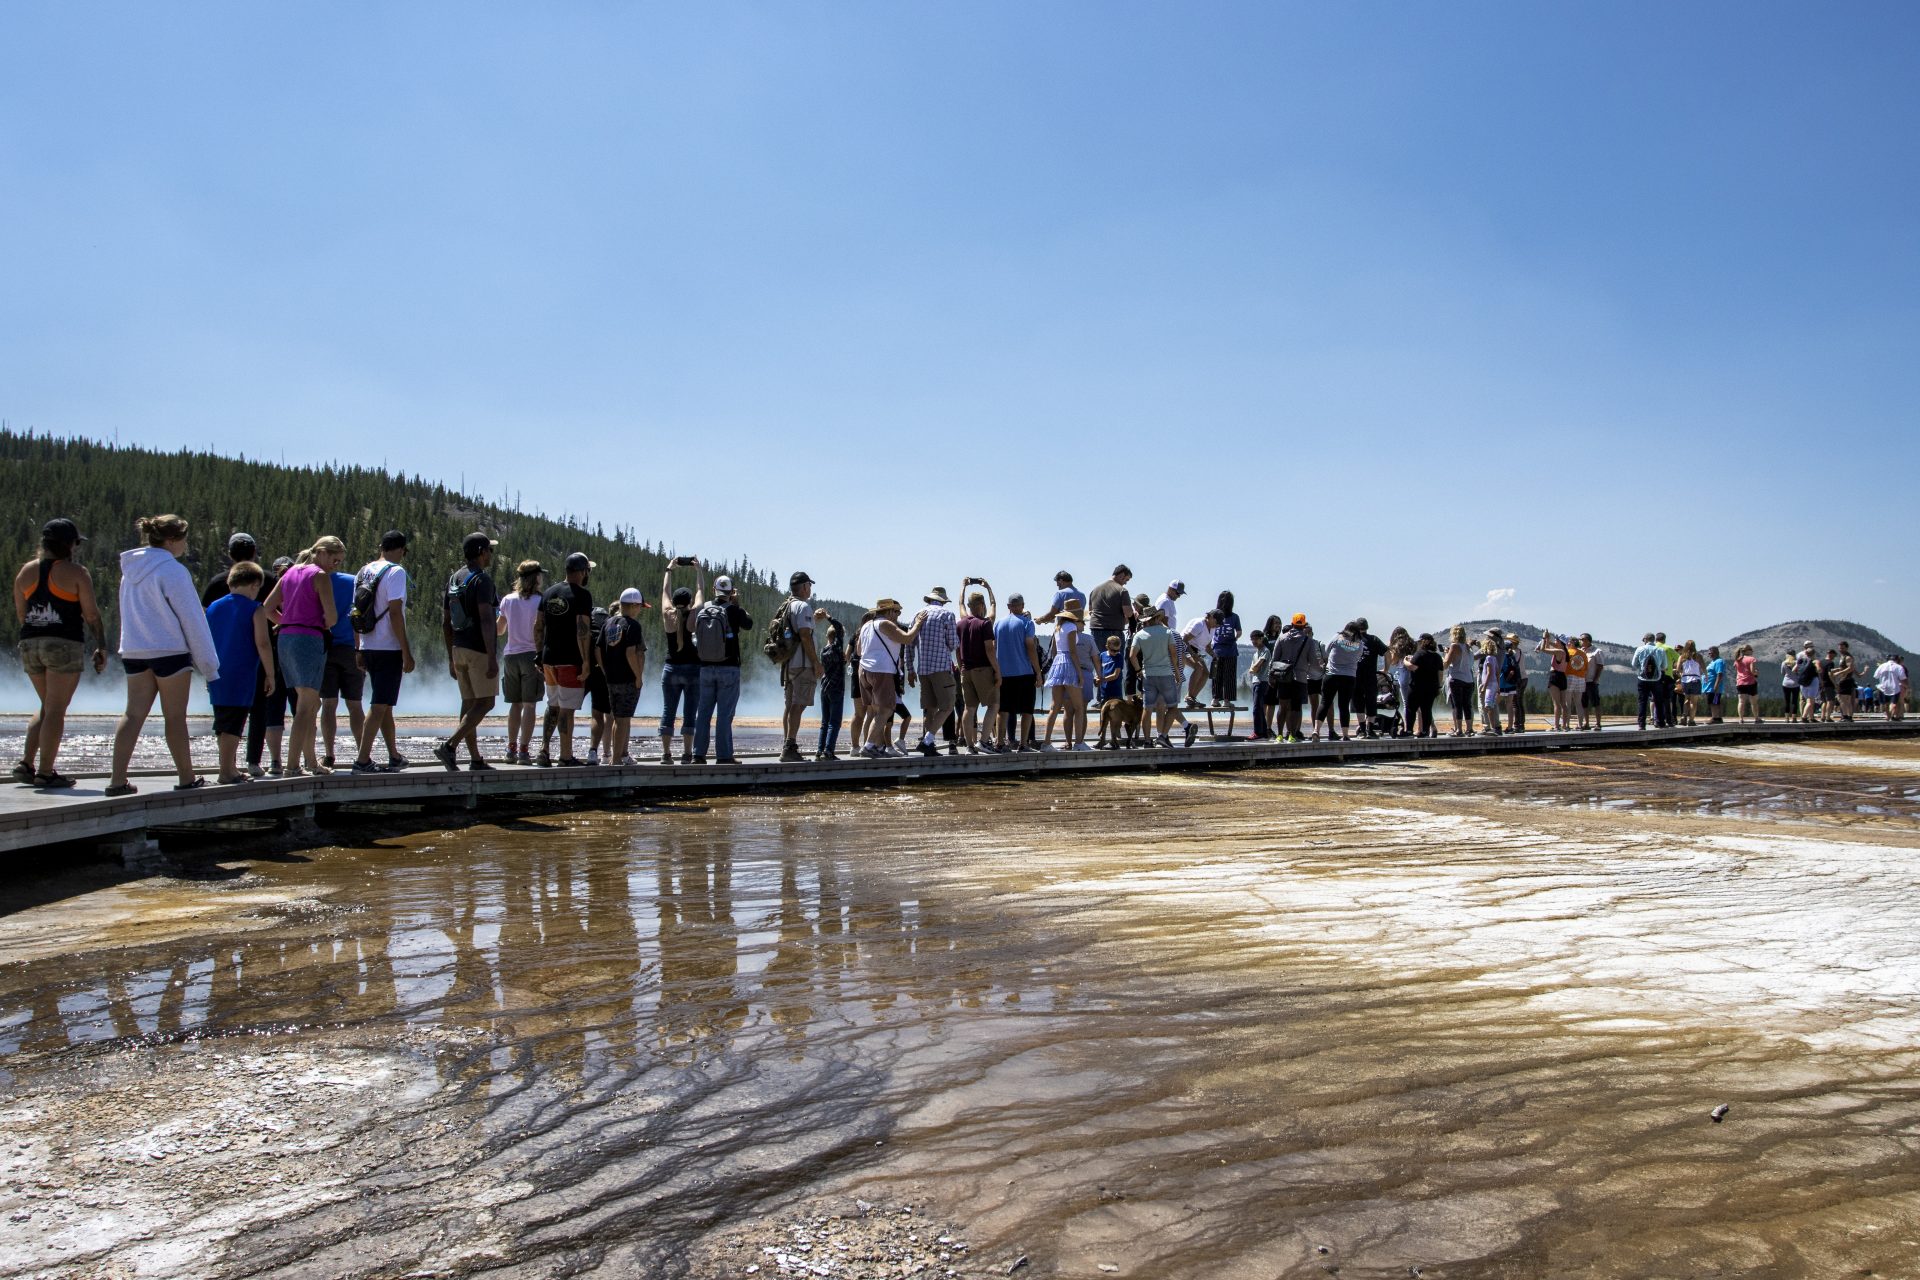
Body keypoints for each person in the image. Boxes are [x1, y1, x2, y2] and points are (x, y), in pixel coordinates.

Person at [107, 515, 221, 795]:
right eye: (183, 538)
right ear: (171, 540)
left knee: (132, 715)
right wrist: (209, 666)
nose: (185, 544)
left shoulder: (129, 570)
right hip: (169, 650)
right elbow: (193, 620)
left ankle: (117, 781)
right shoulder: (173, 571)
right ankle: (186, 778)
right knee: (174, 717)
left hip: (134, 650)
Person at [11, 518, 106, 788]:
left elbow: (21, 614)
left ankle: (26, 763)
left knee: (46, 706)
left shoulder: (25, 573)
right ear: (68, 545)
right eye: (75, 543)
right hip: (63, 644)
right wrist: (102, 645)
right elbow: (91, 614)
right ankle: (44, 772)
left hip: (30, 644)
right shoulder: (77, 573)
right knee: (55, 710)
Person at [262, 537, 343, 775]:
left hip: (286, 639)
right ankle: (292, 766)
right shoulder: (320, 576)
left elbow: (267, 608)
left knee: (307, 703)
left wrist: (286, 622)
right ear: (322, 553)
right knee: (306, 707)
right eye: (335, 560)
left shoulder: (290, 573)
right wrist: (316, 622)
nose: (335, 565)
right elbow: (333, 618)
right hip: (309, 639)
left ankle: (310, 762)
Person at [204, 560, 275, 785]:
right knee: (234, 722)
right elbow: (263, 643)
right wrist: (270, 674)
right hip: (242, 672)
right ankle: (227, 771)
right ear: (255, 585)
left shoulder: (214, 607)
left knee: (222, 721)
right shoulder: (255, 608)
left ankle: (229, 766)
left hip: (216, 671)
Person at [435, 532, 500, 770]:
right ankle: (449, 746)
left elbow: (445, 622)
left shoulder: (454, 578)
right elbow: (486, 619)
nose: (491, 554)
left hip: (458, 648)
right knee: (486, 703)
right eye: (489, 550)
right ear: (482, 552)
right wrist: (492, 656)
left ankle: (475, 759)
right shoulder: (482, 580)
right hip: (478, 650)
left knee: (469, 702)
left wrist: (450, 656)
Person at [351, 530, 414, 773]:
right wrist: (406, 651)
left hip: (368, 644)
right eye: (404, 552)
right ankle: (362, 759)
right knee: (379, 704)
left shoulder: (363, 571)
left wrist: (358, 647)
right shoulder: (396, 571)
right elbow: (395, 612)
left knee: (385, 702)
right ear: (399, 549)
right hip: (388, 646)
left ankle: (394, 755)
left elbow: (355, 612)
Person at [536, 553, 596, 766]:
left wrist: (538, 654)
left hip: (548, 657)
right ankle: (565, 755)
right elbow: (583, 630)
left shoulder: (549, 593)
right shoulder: (582, 595)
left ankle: (543, 751)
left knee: (552, 705)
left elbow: (538, 626)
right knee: (567, 709)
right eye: (587, 570)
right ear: (582, 571)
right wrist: (586, 661)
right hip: (571, 660)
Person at [691, 573, 752, 765]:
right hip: (728, 668)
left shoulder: (705, 608)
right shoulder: (734, 610)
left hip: (706, 668)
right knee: (724, 715)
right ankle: (724, 756)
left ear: (713, 590)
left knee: (704, 713)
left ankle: (697, 755)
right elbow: (748, 624)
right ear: (731, 592)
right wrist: (737, 603)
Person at [855, 599, 925, 758]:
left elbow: (859, 651)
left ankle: (878, 747)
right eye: (897, 612)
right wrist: (918, 624)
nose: (898, 615)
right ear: (888, 612)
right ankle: (869, 746)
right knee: (886, 709)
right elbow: (907, 638)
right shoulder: (886, 624)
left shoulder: (866, 626)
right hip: (881, 671)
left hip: (864, 670)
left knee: (877, 711)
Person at [318, 546, 365, 769]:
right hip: (351, 648)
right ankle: (362, 753)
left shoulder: (315, 581)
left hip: (325, 647)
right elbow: (359, 613)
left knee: (328, 704)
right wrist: (361, 647)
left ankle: (329, 755)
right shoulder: (352, 581)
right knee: (355, 704)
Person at [658, 557, 704, 765]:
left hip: (671, 668)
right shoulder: (694, 615)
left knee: (669, 710)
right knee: (689, 712)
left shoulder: (668, 615)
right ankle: (687, 754)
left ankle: (666, 754)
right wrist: (698, 571)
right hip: (693, 669)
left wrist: (669, 569)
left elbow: (665, 592)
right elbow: (701, 592)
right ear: (688, 603)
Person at [904, 586, 960, 758]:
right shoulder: (947, 615)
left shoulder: (917, 615)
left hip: (923, 669)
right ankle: (927, 740)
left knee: (930, 708)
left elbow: (909, 644)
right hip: (941, 668)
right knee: (948, 706)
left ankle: (930, 745)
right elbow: (953, 643)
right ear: (943, 601)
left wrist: (910, 669)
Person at [498, 560, 545, 764]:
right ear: (536, 578)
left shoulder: (508, 600)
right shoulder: (540, 601)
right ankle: (524, 751)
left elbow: (500, 630)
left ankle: (511, 749)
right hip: (531, 656)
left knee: (514, 705)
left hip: (510, 656)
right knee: (530, 706)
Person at [1131, 606, 1195, 748]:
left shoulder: (1139, 634)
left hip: (1148, 675)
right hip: (1166, 674)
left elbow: (1132, 656)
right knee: (1172, 707)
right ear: (1157, 618)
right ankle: (1162, 736)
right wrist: (1178, 673)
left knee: (1147, 709)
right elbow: (1173, 655)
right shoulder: (1167, 632)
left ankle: (1147, 741)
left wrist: (1138, 670)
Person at [599, 587, 649, 766]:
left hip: (612, 678)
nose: (640, 610)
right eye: (640, 607)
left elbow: (598, 649)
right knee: (622, 719)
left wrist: (606, 670)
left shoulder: (609, 622)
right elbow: (631, 653)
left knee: (617, 718)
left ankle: (616, 756)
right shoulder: (633, 625)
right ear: (634, 605)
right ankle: (617, 759)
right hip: (627, 678)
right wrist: (638, 676)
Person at [778, 571, 823, 763]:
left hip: (788, 664)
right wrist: (816, 662)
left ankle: (787, 746)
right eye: (809, 586)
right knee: (799, 705)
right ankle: (790, 746)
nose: (810, 589)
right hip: (803, 664)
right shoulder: (803, 606)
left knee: (790, 705)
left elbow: (798, 630)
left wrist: (814, 619)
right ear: (804, 587)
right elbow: (804, 635)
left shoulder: (787, 605)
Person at [1044, 600, 1096, 750]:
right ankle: (1079, 743)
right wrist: (1079, 673)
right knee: (1079, 707)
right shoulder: (1072, 626)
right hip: (1068, 662)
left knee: (1054, 707)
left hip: (1058, 662)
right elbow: (1073, 651)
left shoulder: (1058, 627)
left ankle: (1046, 743)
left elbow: (1054, 651)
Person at [956, 580, 1000, 754]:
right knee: (994, 704)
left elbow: (960, 603)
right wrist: (997, 670)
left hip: (965, 671)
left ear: (969, 605)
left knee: (969, 708)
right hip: (983, 669)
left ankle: (969, 746)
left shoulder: (960, 623)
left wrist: (963, 586)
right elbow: (990, 650)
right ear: (981, 605)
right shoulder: (985, 623)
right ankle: (983, 741)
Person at [994, 594, 1043, 752]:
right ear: (1022, 605)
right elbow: (1030, 647)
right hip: (1024, 672)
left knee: (1003, 710)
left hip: (1003, 673)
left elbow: (993, 647)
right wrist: (1038, 672)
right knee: (1027, 710)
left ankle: (1000, 743)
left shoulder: (998, 624)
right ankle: (1023, 744)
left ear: (1008, 606)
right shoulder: (1027, 623)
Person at [1086, 565, 1137, 700]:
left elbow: (1090, 611)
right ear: (1121, 575)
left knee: (1099, 664)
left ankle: (1100, 698)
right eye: (1126, 579)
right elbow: (1128, 612)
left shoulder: (1095, 590)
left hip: (1095, 632)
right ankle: (1114, 698)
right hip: (1114, 633)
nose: (1126, 582)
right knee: (1116, 665)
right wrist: (1133, 619)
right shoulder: (1122, 591)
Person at [1269, 614, 1314, 742]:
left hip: (1283, 677)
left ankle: (1279, 735)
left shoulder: (1282, 638)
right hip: (1300, 677)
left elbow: (1274, 659)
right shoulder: (1308, 640)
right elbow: (1312, 660)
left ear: (1292, 624)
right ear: (1304, 625)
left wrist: (1271, 677)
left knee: (1282, 706)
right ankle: (1292, 735)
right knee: (1296, 707)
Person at [1319, 622, 1366, 742]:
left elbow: (1327, 649)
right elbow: (1359, 657)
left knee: (1325, 703)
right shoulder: (1359, 643)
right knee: (1344, 706)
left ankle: (1316, 731)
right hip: (1349, 676)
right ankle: (1345, 734)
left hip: (1332, 674)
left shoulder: (1337, 637)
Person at [199, 531, 260, 606]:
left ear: (230, 554)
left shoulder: (217, 583)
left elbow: (204, 613)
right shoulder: (270, 580)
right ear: (254, 553)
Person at [816, 613, 847, 760]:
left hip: (824, 687)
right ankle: (828, 751)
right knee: (834, 722)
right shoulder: (836, 647)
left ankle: (819, 751)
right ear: (837, 636)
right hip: (836, 687)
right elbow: (839, 627)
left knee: (825, 722)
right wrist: (828, 617)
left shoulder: (823, 650)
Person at [1403, 633, 1443, 739]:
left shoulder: (1420, 654)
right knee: (1426, 709)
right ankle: (1425, 731)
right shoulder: (1437, 656)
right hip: (1431, 687)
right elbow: (1440, 673)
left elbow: (1412, 667)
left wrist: (1405, 661)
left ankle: (1409, 730)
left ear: (1423, 642)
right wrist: (1439, 687)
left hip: (1417, 686)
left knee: (1411, 708)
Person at [1353, 618, 1387, 740]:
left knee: (1359, 703)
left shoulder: (1352, 639)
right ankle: (1370, 729)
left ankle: (1362, 730)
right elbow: (1387, 652)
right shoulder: (1374, 639)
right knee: (1371, 703)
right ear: (1367, 627)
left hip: (1355, 675)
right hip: (1370, 676)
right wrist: (1386, 669)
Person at [1209, 590, 1243, 708]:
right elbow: (1239, 632)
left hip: (1216, 650)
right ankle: (1226, 700)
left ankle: (1215, 699)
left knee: (1216, 675)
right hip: (1230, 650)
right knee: (1229, 676)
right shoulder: (1234, 617)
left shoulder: (1214, 616)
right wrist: (1234, 638)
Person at [1181, 609, 1218, 709]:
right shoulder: (1199, 624)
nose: (1218, 625)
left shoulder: (1213, 628)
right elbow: (1184, 640)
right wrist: (1193, 654)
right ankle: (1189, 696)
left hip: (1196, 651)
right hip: (1184, 647)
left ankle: (1192, 697)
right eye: (1217, 622)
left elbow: (1207, 646)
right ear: (1210, 618)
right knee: (1198, 668)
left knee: (1206, 673)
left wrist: (1214, 655)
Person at [1443, 625, 1475, 737]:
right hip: (1469, 679)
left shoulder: (1454, 646)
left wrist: (1445, 653)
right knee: (1467, 705)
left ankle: (1459, 730)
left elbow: (1445, 664)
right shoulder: (1467, 647)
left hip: (1457, 678)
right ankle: (1470, 729)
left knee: (1457, 705)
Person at [1384, 627, 1415, 736]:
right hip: (1415, 673)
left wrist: (1390, 650)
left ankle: (1407, 728)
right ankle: (1429, 727)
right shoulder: (1413, 644)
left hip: (1403, 672)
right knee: (1419, 704)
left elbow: (1393, 661)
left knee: (1407, 703)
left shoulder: (1397, 646)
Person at [1631, 633, 1665, 731]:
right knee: (1659, 701)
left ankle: (1642, 724)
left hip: (1643, 679)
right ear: (1653, 639)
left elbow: (1634, 664)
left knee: (1642, 701)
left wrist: (1642, 669)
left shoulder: (1640, 649)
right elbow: (1664, 665)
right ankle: (1660, 722)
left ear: (1645, 639)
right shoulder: (1660, 650)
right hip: (1657, 679)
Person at [1246, 626, 1273, 740]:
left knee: (1257, 708)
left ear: (1262, 639)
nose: (1254, 641)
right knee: (1260, 708)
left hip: (1262, 681)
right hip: (1256, 681)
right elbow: (1252, 669)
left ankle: (1257, 732)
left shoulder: (1265, 651)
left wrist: (1253, 669)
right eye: (1252, 639)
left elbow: (1255, 668)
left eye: (1256, 639)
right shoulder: (1256, 653)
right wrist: (1253, 669)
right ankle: (1263, 732)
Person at [1477, 633, 1504, 736]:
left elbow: (1489, 673)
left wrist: (1484, 686)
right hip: (1494, 684)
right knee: (1492, 705)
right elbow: (1497, 672)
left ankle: (1490, 728)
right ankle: (1494, 728)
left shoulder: (1488, 658)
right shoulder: (1495, 658)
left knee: (1487, 706)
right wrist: (1498, 685)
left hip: (1488, 685)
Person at [1564, 636, 1592, 730]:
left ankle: (1567, 724)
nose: (1567, 643)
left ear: (1571, 643)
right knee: (1578, 703)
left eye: (1568, 642)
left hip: (1569, 676)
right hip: (1581, 678)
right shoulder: (1583, 654)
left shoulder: (1568, 652)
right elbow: (1586, 668)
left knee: (1567, 702)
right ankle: (1580, 724)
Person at [1577, 633, 1603, 731]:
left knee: (1595, 702)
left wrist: (1596, 679)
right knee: (1584, 703)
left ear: (1587, 640)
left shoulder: (1597, 651)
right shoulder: (1580, 651)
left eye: (1582, 639)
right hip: (1581, 680)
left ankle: (1598, 723)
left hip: (1592, 681)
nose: (1580, 641)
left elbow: (1600, 666)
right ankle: (1586, 723)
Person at [1675, 641, 1704, 726]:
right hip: (1695, 679)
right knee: (1693, 702)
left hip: (1685, 679)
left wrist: (1682, 674)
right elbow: (1703, 667)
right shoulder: (1698, 656)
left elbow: (1678, 669)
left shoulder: (1682, 657)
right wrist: (1705, 675)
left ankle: (1684, 716)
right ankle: (1691, 720)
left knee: (1686, 699)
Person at [1654, 631, 1678, 729]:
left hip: (1654, 676)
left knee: (1656, 699)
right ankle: (1669, 720)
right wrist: (1674, 667)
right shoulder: (1668, 648)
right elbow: (1679, 658)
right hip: (1667, 675)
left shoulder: (1653, 648)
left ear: (1656, 639)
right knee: (1667, 699)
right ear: (1664, 639)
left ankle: (1657, 720)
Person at [1733, 643, 1761, 724]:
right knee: (1754, 702)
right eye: (1751, 650)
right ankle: (1756, 718)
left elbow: (1738, 670)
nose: (1752, 651)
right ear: (1748, 651)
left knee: (1741, 701)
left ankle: (1741, 719)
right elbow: (1752, 671)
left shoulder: (1737, 660)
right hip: (1750, 682)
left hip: (1740, 682)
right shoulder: (1751, 659)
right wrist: (1756, 673)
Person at [1874, 654, 1908, 721]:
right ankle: (1893, 716)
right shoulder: (1899, 667)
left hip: (1883, 687)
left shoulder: (1882, 666)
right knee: (1895, 703)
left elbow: (1876, 676)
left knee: (1886, 704)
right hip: (1895, 687)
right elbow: (1903, 678)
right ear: (1897, 660)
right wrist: (1906, 686)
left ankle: (1888, 716)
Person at [1702, 645, 1728, 725]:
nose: (1710, 654)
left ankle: (1715, 718)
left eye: (1712, 653)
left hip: (1713, 687)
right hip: (1709, 687)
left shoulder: (1719, 661)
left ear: (1717, 652)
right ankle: (1718, 718)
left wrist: (1716, 686)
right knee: (1713, 702)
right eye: (1709, 653)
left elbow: (1719, 674)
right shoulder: (1712, 662)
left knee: (1714, 702)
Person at [1833, 642, 1859, 721]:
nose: (1840, 649)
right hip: (1846, 679)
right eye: (1840, 648)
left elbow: (1850, 668)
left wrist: (1839, 673)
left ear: (1846, 648)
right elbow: (1844, 668)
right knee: (1847, 699)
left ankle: (1845, 716)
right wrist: (1837, 670)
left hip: (1845, 680)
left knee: (1842, 699)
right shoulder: (1842, 657)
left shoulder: (1847, 657)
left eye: (1842, 648)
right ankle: (1849, 717)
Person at [1779, 648, 1802, 721]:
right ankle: (1794, 718)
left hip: (1786, 683)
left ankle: (1786, 718)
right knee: (1794, 701)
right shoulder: (1797, 663)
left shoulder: (1784, 663)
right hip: (1796, 684)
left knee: (1787, 701)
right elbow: (1800, 672)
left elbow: (1782, 673)